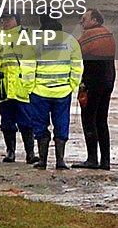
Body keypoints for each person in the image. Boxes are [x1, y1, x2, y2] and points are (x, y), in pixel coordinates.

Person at [30, 14, 83, 170]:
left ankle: (42, 161)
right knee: (61, 125)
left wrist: (29, 88)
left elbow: (28, 68)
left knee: (40, 126)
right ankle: (60, 161)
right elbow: (77, 67)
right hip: (62, 92)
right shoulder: (70, 41)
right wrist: (72, 86)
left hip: (39, 92)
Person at [72, 8, 116, 170]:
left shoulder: (90, 35)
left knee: (89, 119)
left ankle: (92, 159)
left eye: (84, 19)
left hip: (93, 82)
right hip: (109, 81)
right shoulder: (108, 34)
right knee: (102, 121)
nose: (81, 22)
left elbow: (74, 51)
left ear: (95, 20)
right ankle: (105, 161)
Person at [0, 12, 39, 164]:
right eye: (3, 19)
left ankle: (30, 153)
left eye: (7, 19)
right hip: (5, 88)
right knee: (6, 122)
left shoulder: (28, 37)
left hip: (22, 88)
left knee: (26, 122)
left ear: (16, 20)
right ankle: (10, 152)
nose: (4, 21)